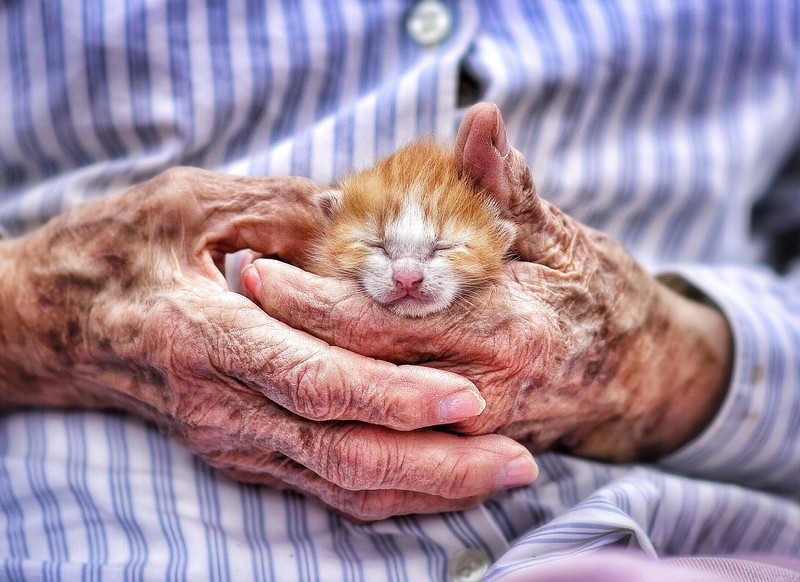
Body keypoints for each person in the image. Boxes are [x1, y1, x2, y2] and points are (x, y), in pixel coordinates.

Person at [0, 1, 798, 580]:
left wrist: (675, 366)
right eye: (385, 251)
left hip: (662, 540)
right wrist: (36, 313)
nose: (408, 277)